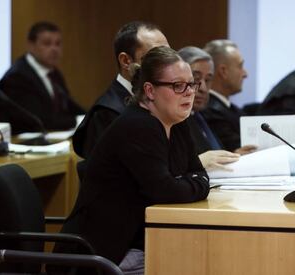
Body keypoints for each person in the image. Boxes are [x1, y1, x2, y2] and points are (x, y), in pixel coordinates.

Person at [54, 46, 210, 274]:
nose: (189, 92)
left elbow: (198, 172)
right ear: (150, 90)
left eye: (191, 84)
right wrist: (196, 183)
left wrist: (192, 181)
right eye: (178, 86)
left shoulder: (177, 121)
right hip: (107, 252)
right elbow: (165, 190)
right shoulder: (137, 125)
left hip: (140, 240)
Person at [73, 21, 169, 159]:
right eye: (156, 56)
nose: (166, 65)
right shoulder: (107, 113)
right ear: (126, 61)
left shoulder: (162, 101)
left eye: (168, 55)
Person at [0, 21, 84, 131]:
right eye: (47, 43)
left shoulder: (53, 73)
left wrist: (90, 117)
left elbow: (69, 104)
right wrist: (77, 121)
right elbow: (40, 119)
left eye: (58, 44)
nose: (54, 49)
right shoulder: (17, 77)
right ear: (31, 46)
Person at [178, 46, 240, 171]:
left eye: (208, 80)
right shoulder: (175, 121)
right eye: (195, 79)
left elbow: (212, 155)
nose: (203, 88)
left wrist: (234, 156)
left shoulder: (199, 116)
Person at [202, 39, 256, 154]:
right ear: (223, 71)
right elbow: (242, 151)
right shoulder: (210, 112)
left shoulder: (230, 108)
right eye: (240, 66)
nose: (245, 74)